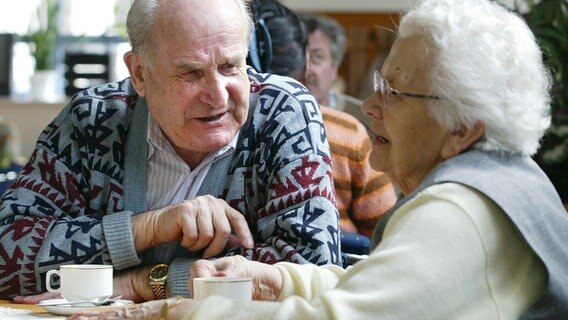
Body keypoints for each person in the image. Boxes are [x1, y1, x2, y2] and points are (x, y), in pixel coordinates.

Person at [71, 0, 568, 318]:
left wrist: (166, 309)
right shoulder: (502, 182)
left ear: (462, 127)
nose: (370, 107)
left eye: (393, 92)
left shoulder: (460, 213)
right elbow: (380, 291)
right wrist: (275, 279)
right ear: (137, 74)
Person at [1, 0, 342, 302]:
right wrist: (150, 227)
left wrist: (144, 283)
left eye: (230, 66)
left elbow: (310, 272)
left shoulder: (284, 113)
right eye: (190, 73)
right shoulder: (92, 119)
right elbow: (6, 256)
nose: (219, 95)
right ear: (139, 73)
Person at [246, 0, 397, 249]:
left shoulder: (212, 130)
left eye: (319, 56)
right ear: (301, 65)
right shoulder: (350, 131)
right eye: (309, 57)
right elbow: (387, 235)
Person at [301, 13, 369, 127]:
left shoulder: (364, 120)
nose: (306, 69)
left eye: (316, 57)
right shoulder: (273, 117)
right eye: (298, 57)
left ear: (334, 67)